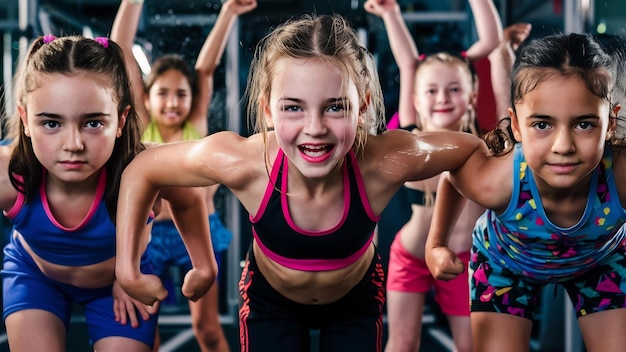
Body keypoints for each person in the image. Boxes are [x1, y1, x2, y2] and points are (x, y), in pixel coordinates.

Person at [114, 14, 493, 352]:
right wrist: (128, 268)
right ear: (267, 109)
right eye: (293, 107)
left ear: (361, 106)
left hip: (355, 303)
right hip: (270, 302)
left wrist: (438, 241)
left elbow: (470, 151)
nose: (315, 128)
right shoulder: (246, 162)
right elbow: (143, 168)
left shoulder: (385, 160)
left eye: (335, 107)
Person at [0, 35, 216, 352]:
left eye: (92, 123)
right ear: (25, 120)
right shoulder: (9, 173)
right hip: (35, 277)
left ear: (120, 120)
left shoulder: (144, 167)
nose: (73, 144)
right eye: (51, 123)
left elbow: (189, 199)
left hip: (123, 285)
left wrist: (204, 266)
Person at [425, 32, 626, 351]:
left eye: (584, 124)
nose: (564, 146)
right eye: (543, 125)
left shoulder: (619, 175)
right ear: (516, 126)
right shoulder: (497, 179)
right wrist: (436, 244)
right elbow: (453, 177)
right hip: (505, 262)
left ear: (611, 122)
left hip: (600, 259)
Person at [111, 1, 257, 351]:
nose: (173, 103)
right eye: (163, 93)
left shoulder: (196, 126)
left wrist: (229, 13)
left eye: (181, 94)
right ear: (146, 98)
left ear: (192, 100)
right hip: (151, 237)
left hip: (198, 231)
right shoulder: (143, 127)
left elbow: (205, 69)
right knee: (146, 331)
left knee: (207, 328)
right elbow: (120, 47)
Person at [364, 0, 501, 351]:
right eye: (432, 91)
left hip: (465, 257)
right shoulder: (411, 136)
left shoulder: (484, 142)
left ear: (472, 96)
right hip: (410, 253)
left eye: (454, 89)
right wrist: (391, 15)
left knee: (471, 346)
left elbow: (493, 42)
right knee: (402, 343)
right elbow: (408, 63)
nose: (442, 98)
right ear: (416, 100)